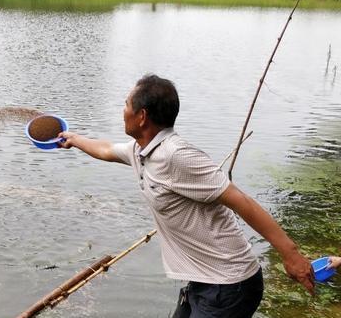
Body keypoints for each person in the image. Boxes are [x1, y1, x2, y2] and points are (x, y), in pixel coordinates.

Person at [57, 74, 315, 317]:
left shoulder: (177, 156)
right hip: (204, 281)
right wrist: (74, 139)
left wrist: (290, 254)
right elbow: (106, 150)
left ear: (142, 116)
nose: (122, 110)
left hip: (230, 285)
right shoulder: (142, 151)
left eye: (126, 104)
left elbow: (241, 201)